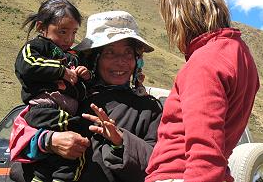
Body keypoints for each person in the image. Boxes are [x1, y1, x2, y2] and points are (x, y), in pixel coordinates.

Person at [9, 10, 162, 182]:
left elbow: (160, 164)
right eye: (110, 52)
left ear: (137, 60)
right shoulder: (68, 97)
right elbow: (19, 141)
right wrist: (50, 141)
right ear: (93, 59)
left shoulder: (149, 108)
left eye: (128, 53)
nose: (121, 61)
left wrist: (120, 142)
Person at [145, 0, 259, 182]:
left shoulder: (205, 60)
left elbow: (205, 144)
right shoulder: (240, 54)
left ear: (179, 16)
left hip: (181, 174)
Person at [14, 0, 93, 182]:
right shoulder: (36, 47)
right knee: (80, 141)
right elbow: (26, 64)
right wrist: (61, 71)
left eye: (74, 33)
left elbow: (82, 89)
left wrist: (85, 75)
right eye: (62, 31)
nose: (69, 39)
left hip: (62, 113)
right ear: (42, 27)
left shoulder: (73, 56)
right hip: (45, 110)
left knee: (63, 156)